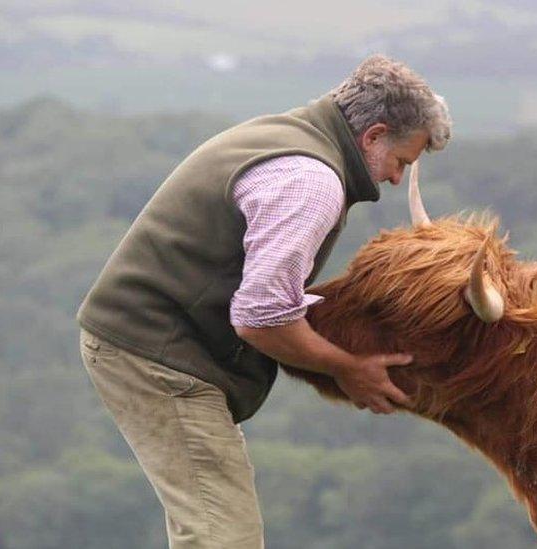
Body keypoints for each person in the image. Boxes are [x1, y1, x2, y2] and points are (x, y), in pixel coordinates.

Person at [76, 54, 452, 548]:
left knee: (211, 527)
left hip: (148, 343)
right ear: (373, 135)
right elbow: (261, 317)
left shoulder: (286, 136)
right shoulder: (311, 183)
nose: (398, 179)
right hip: (158, 357)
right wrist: (348, 366)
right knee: (223, 536)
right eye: (402, 160)